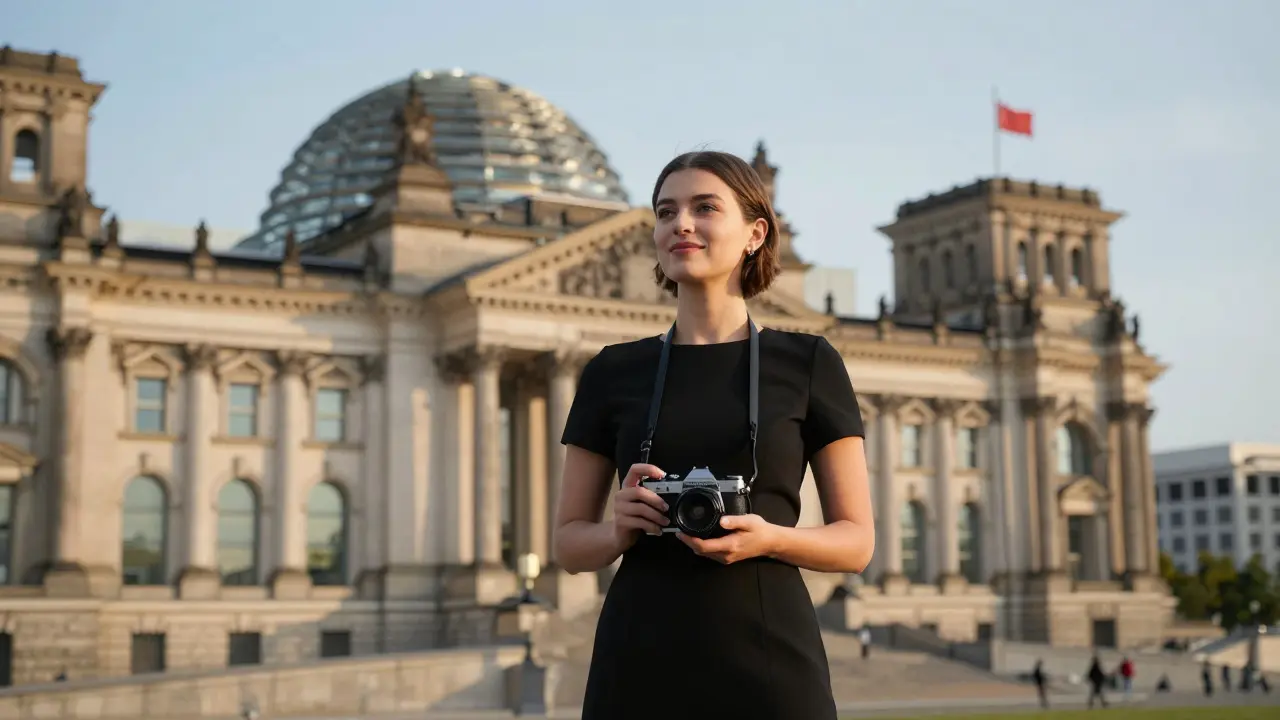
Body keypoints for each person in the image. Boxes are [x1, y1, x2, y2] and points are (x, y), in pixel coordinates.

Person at [552, 150, 875, 720]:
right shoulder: (611, 370)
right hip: (638, 659)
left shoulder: (808, 362)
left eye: (704, 208)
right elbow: (569, 543)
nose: (680, 224)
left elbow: (856, 543)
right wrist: (619, 529)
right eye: (664, 211)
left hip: (770, 657)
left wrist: (769, 538)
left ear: (755, 232)